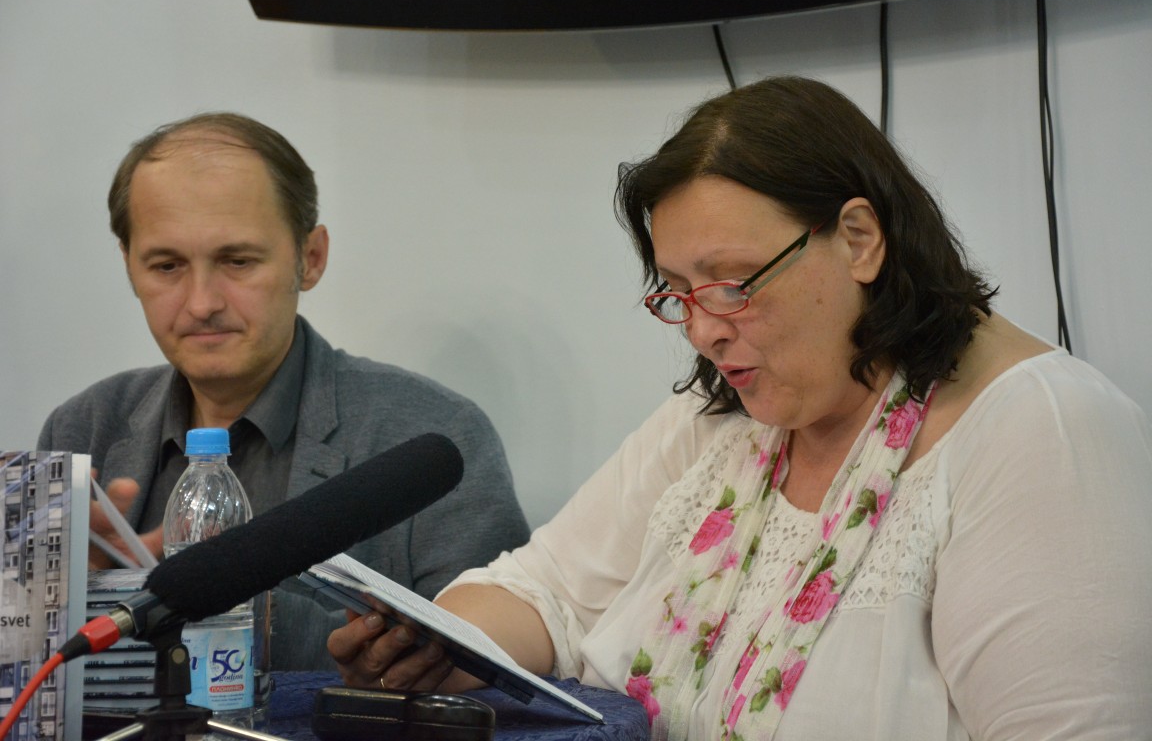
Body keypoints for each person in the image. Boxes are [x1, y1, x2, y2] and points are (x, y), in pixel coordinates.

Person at [326, 76, 1152, 738]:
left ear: (859, 240)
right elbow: (548, 593)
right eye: (678, 293)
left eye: (731, 284)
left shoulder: (1041, 432)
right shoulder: (724, 421)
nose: (704, 331)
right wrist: (435, 648)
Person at [38, 112, 530, 671]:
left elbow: (479, 675)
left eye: (237, 261)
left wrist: (201, 605)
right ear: (129, 267)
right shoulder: (84, 429)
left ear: (310, 258)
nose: (202, 303)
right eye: (167, 265)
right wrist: (65, 602)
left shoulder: (435, 435)